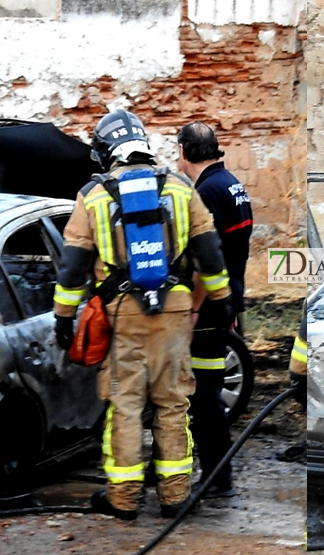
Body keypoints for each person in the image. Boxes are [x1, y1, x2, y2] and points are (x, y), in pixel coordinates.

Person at [53, 109, 234, 519]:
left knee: (127, 405)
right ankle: (174, 496)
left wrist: (64, 317)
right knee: (172, 403)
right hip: (174, 309)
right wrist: (221, 298)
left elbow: (73, 265)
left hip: (122, 314)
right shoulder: (181, 188)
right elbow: (209, 251)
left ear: (106, 152)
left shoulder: (94, 195)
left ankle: (124, 499)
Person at [175, 122, 252, 497]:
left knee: (203, 398)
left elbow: (210, 260)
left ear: (185, 152)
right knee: (210, 392)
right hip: (228, 302)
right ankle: (217, 475)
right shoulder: (233, 185)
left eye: (178, 151)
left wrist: (192, 310)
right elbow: (238, 253)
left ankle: (216, 479)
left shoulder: (205, 193)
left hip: (207, 311)